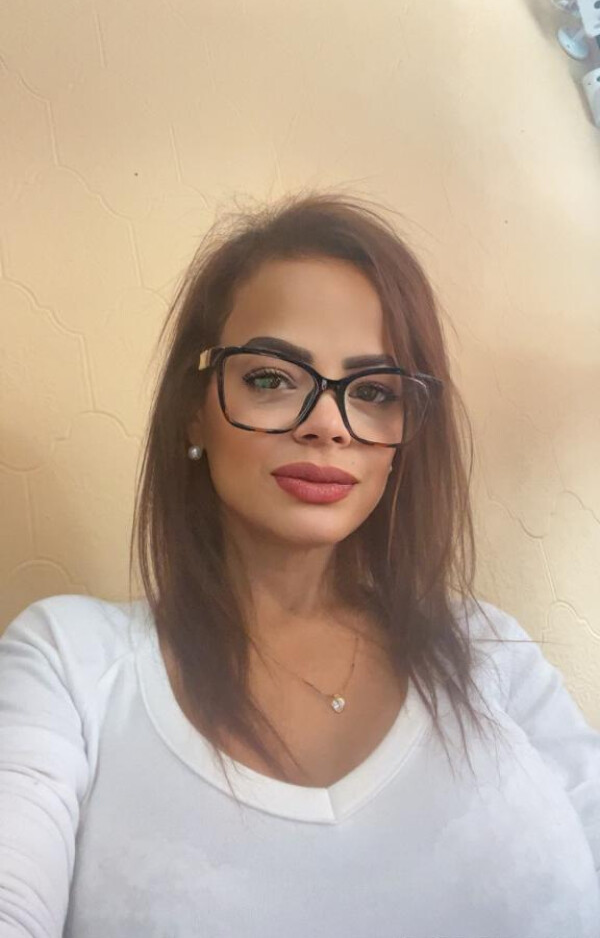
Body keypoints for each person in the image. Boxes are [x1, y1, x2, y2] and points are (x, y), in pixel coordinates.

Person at [0, 191, 598, 938]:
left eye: (373, 391)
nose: (327, 424)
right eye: (271, 378)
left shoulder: (491, 651)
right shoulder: (71, 664)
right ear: (193, 409)